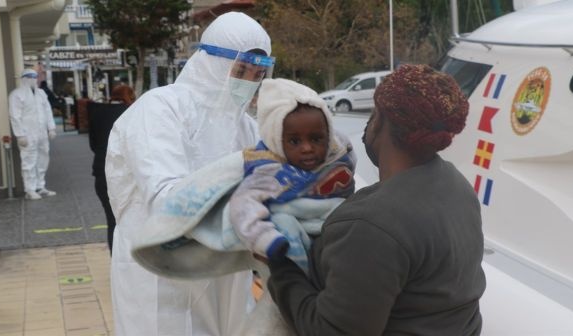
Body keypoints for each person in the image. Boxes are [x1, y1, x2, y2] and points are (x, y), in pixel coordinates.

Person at [267, 64, 487, 335]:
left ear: (380, 120)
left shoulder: (372, 225)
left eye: (373, 113)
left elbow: (329, 330)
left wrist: (280, 267)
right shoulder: (457, 187)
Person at [104, 12, 273, 335]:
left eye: (256, 73)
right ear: (210, 62)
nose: (248, 81)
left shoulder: (245, 126)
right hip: (161, 270)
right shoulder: (160, 109)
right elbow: (168, 200)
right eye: (240, 70)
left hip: (224, 269)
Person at [229, 78, 355, 266]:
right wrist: (265, 240)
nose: (307, 148)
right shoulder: (268, 170)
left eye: (316, 139)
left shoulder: (338, 152)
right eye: (294, 141)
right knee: (282, 221)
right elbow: (242, 206)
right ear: (276, 141)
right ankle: (298, 268)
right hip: (292, 232)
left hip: (335, 228)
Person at [88, 85, 135, 254]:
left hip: (101, 172)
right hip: (127, 175)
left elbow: (93, 144)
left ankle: (115, 261)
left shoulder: (97, 113)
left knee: (112, 221)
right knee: (130, 221)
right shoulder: (131, 113)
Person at [9, 68, 57, 200]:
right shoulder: (16, 95)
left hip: (42, 133)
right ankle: (29, 189)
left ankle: (40, 186)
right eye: (30, 77)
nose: (33, 80)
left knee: (43, 158)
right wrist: (20, 134)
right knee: (29, 161)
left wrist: (51, 128)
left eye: (35, 77)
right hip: (27, 134)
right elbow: (15, 116)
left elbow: (47, 111)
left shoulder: (41, 93)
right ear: (24, 79)